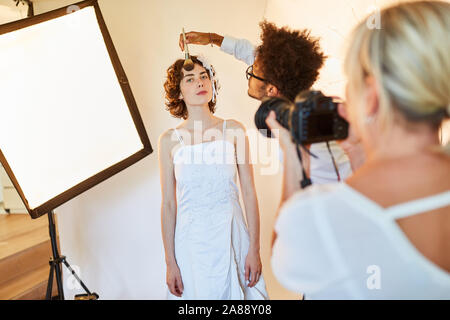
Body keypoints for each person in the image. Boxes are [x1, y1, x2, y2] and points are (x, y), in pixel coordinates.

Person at [267, 1, 450, 299]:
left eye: (351, 82)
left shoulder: (321, 216)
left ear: (372, 96)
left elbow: (285, 262)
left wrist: (293, 158)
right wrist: (358, 153)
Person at [180, 22, 353, 198]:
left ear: (271, 90)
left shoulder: (304, 132)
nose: (249, 72)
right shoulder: (287, 97)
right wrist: (212, 38)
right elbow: (250, 53)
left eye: (252, 70)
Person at [158, 55, 268, 299]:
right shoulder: (168, 141)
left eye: (203, 76)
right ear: (178, 93)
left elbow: (249, 191)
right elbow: (168, 204)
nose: (200, 83)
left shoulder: (234, 129)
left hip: (233, 235)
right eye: (190, 79)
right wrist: (170, 262)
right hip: (191, 244)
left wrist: (254, 249)